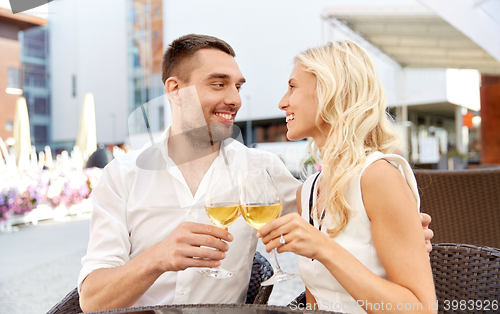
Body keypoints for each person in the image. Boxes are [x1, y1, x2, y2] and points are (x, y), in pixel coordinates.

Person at [78, 34, 434, 312]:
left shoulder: (263, 170)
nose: (234, 99)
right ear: (174, 90)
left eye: (238, 86)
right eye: (218, 84)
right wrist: (156, 258)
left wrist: (399, 229)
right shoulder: (122, 176)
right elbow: (92, 299)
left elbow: (343, 219)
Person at [258, 41, 436, 313]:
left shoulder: (378, 177)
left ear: (331, 92)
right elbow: (316, 300)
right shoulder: (307, 192)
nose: (283, 102)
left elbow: (421, 309)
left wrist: (324, 249)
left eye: (293, 87)